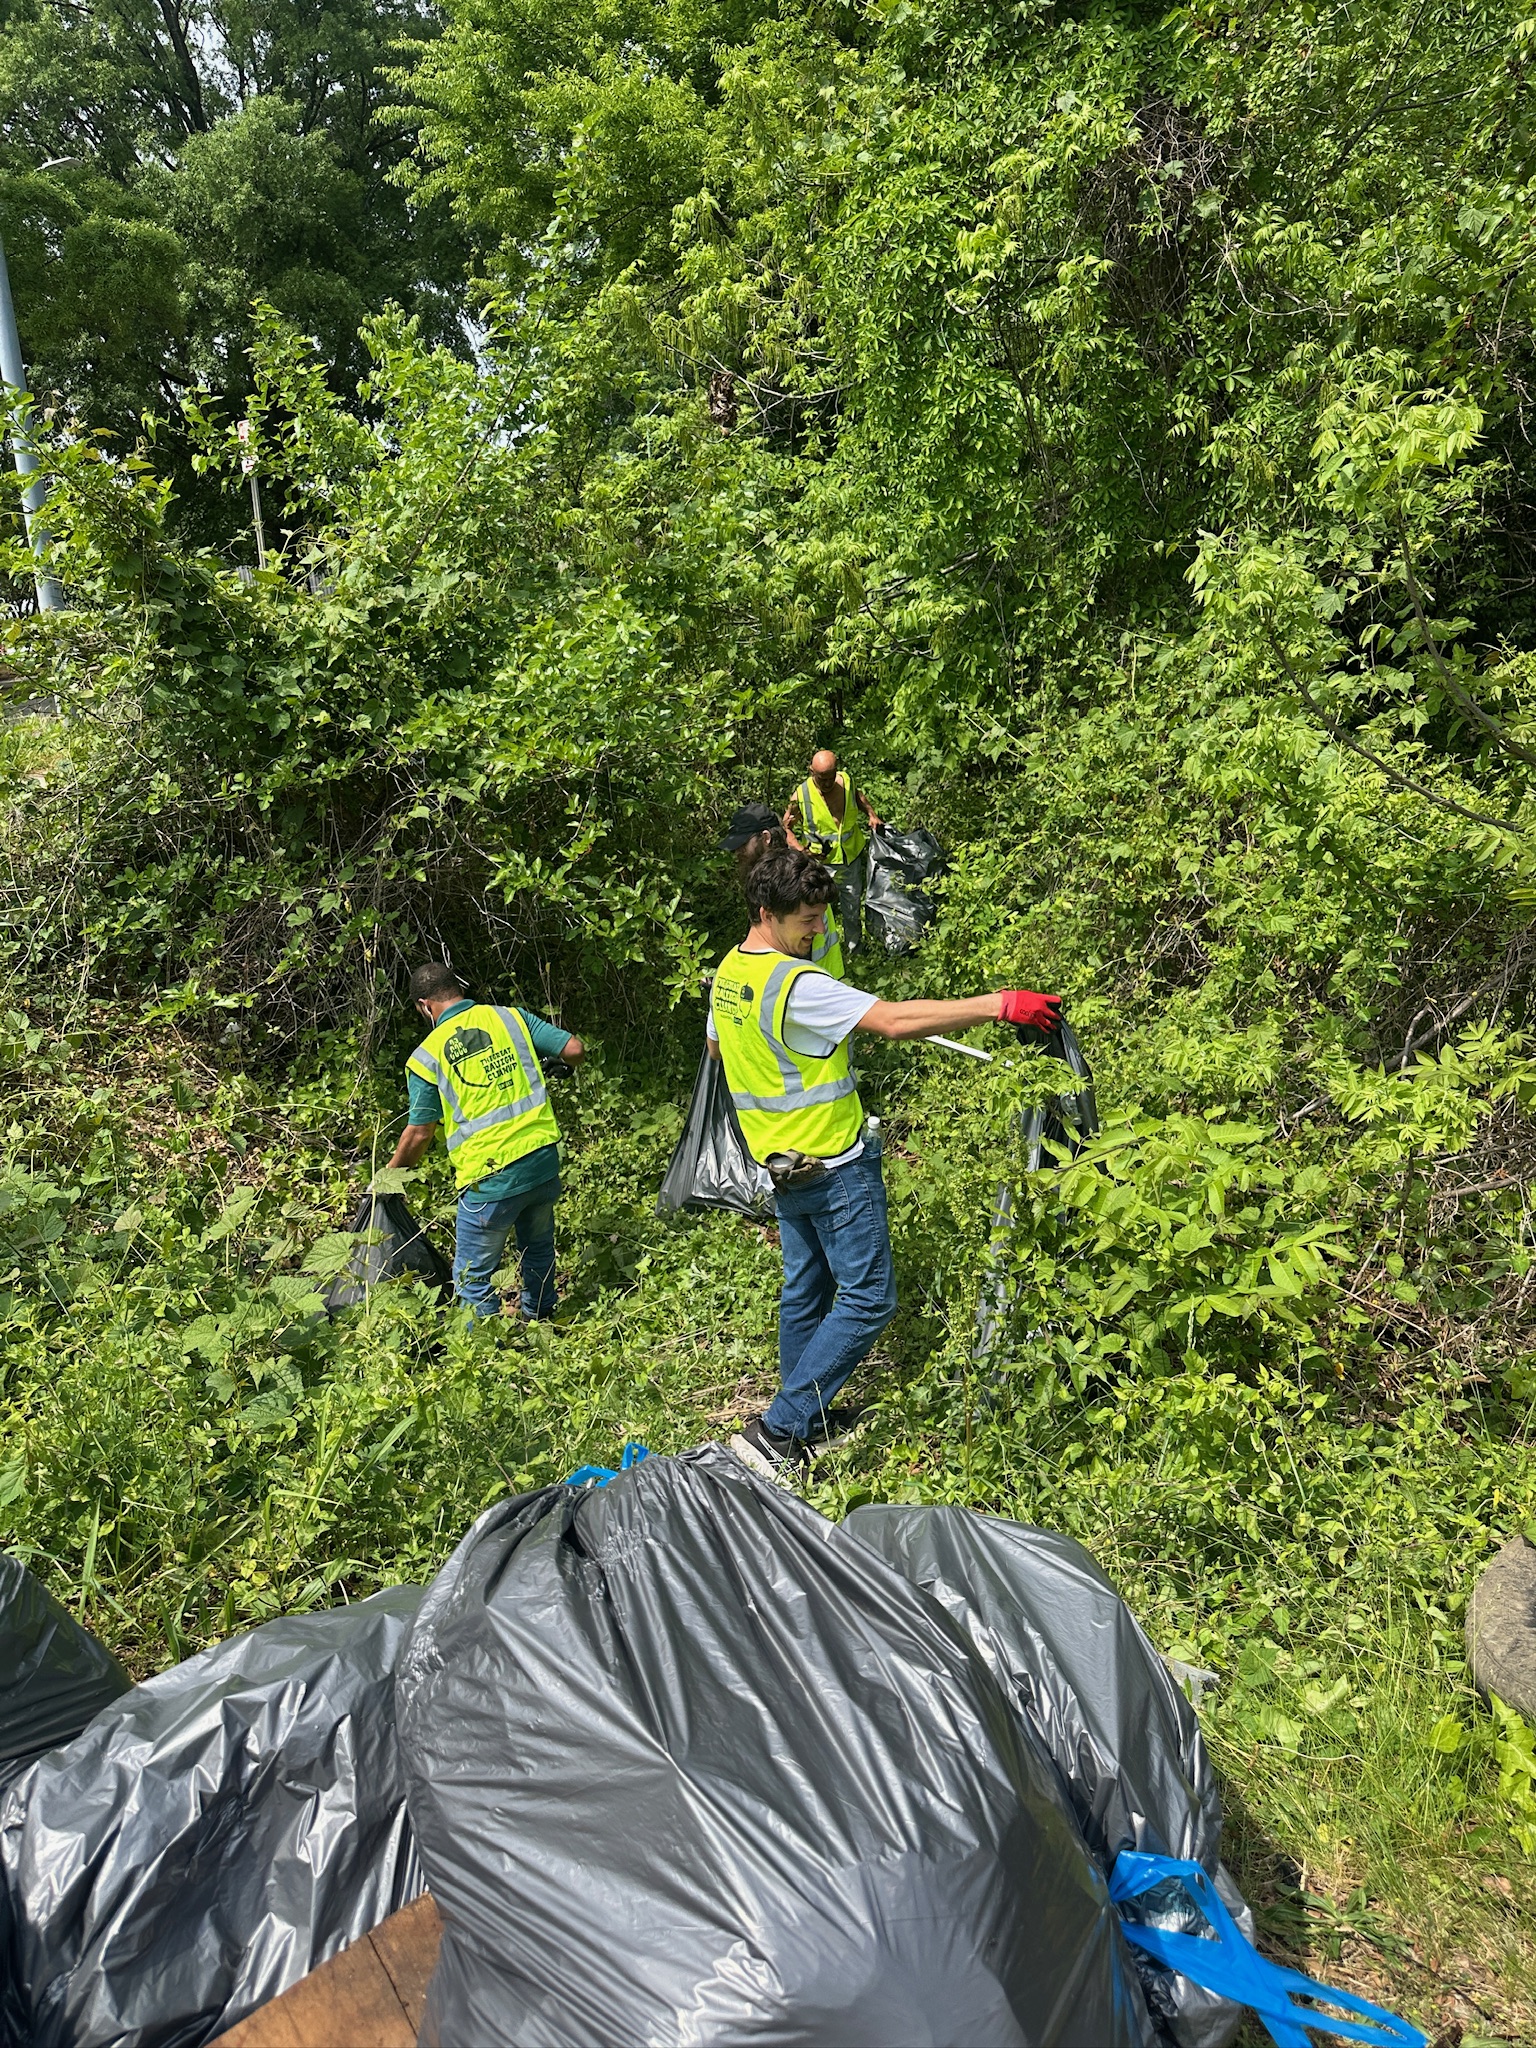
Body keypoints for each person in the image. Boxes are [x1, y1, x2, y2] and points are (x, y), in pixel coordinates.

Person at [707, 846, 1059, 1476]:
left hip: (781, 1164)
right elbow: (895, 1022)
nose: (817, 931)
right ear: (767, 913)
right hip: (833, 1163)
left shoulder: (732, 973)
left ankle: (803, 1421)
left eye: (820, 917)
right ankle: (780, 1431)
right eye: (806, 922)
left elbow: (716, 1045)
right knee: (869, 1298)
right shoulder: (796, 985)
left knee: (806, 1289)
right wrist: (998, 1004)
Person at [385, 963, 584, 1320]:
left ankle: (482, 1352)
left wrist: (389, 1177)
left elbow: (420, 1132)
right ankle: (541, 1320)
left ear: (425, 1006)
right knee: (537, 1248)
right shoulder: (510, 1018)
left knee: (473, 1276)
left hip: (489, 1180)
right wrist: (544, 1058)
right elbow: (573, 1049)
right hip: (540, 1163)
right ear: (457, 989)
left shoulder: (427, 1056)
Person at [718, 798, 845, 977]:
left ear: (766, 838)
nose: (737, 853)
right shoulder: (783, 870)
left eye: (742, 844)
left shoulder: (787, 880)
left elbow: (786, 956)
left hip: (811, 978)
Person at [782, 750, 880, 953]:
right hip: (819, 865)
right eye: (821, 779)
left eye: (830, 778)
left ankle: (855, 949)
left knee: (851, 907)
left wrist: (871, 814)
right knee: (817, 910)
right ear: (811, 772)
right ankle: (818, 951)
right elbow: (786, 828)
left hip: (849, 858)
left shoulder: (845, 781)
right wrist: (800, 850)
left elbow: (858, 797)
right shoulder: (801, 795)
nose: (827, 783)